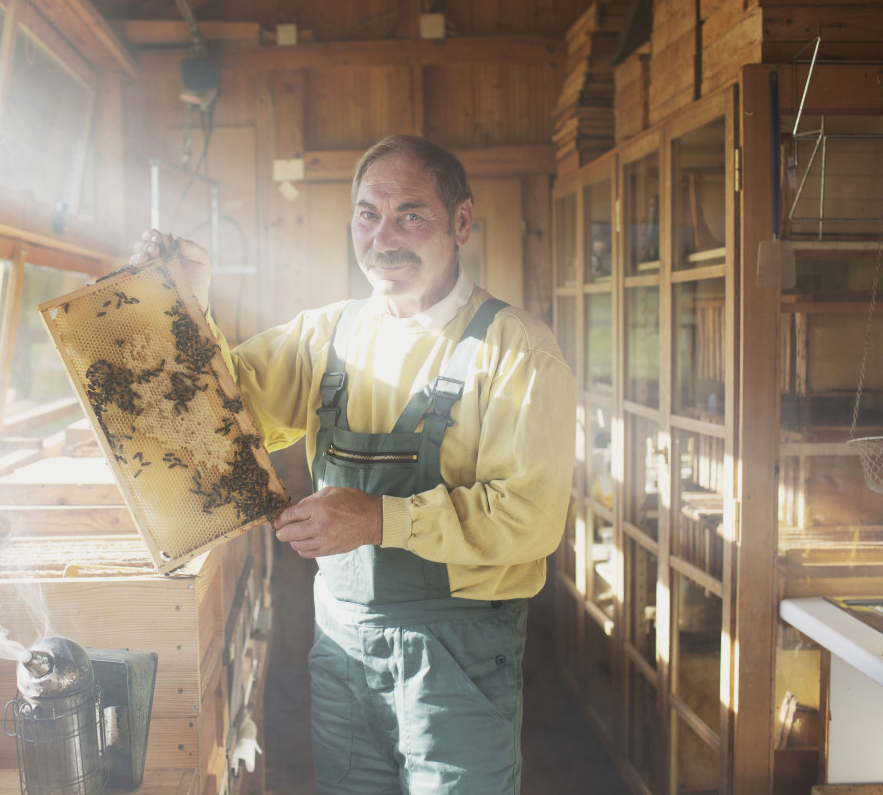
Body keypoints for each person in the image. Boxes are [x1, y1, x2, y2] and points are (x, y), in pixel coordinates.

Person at [132, 135, 575, 795]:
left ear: (461, 222)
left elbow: (531, 518)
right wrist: (182, 304)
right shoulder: (324, 335)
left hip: (458, 656)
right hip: (341, 644)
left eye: (410, 214)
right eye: (368, 214)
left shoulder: (518, 352)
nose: (383, 235)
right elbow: (221, 417)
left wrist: (378, 518)